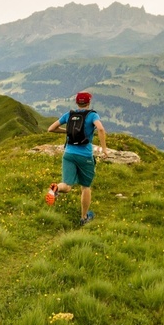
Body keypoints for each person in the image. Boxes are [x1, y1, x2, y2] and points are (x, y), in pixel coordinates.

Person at [46, 91, 108, 225]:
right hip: (85, 156)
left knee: (67, 186)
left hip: (68, 154)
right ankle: (84, 218)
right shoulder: (92, 115)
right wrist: (104, 149)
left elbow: (51, 129)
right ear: (88, 102)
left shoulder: (69, 115)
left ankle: (56, 188)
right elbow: (101, 129)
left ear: (76, 102)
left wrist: (67, 131)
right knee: (85, 187)